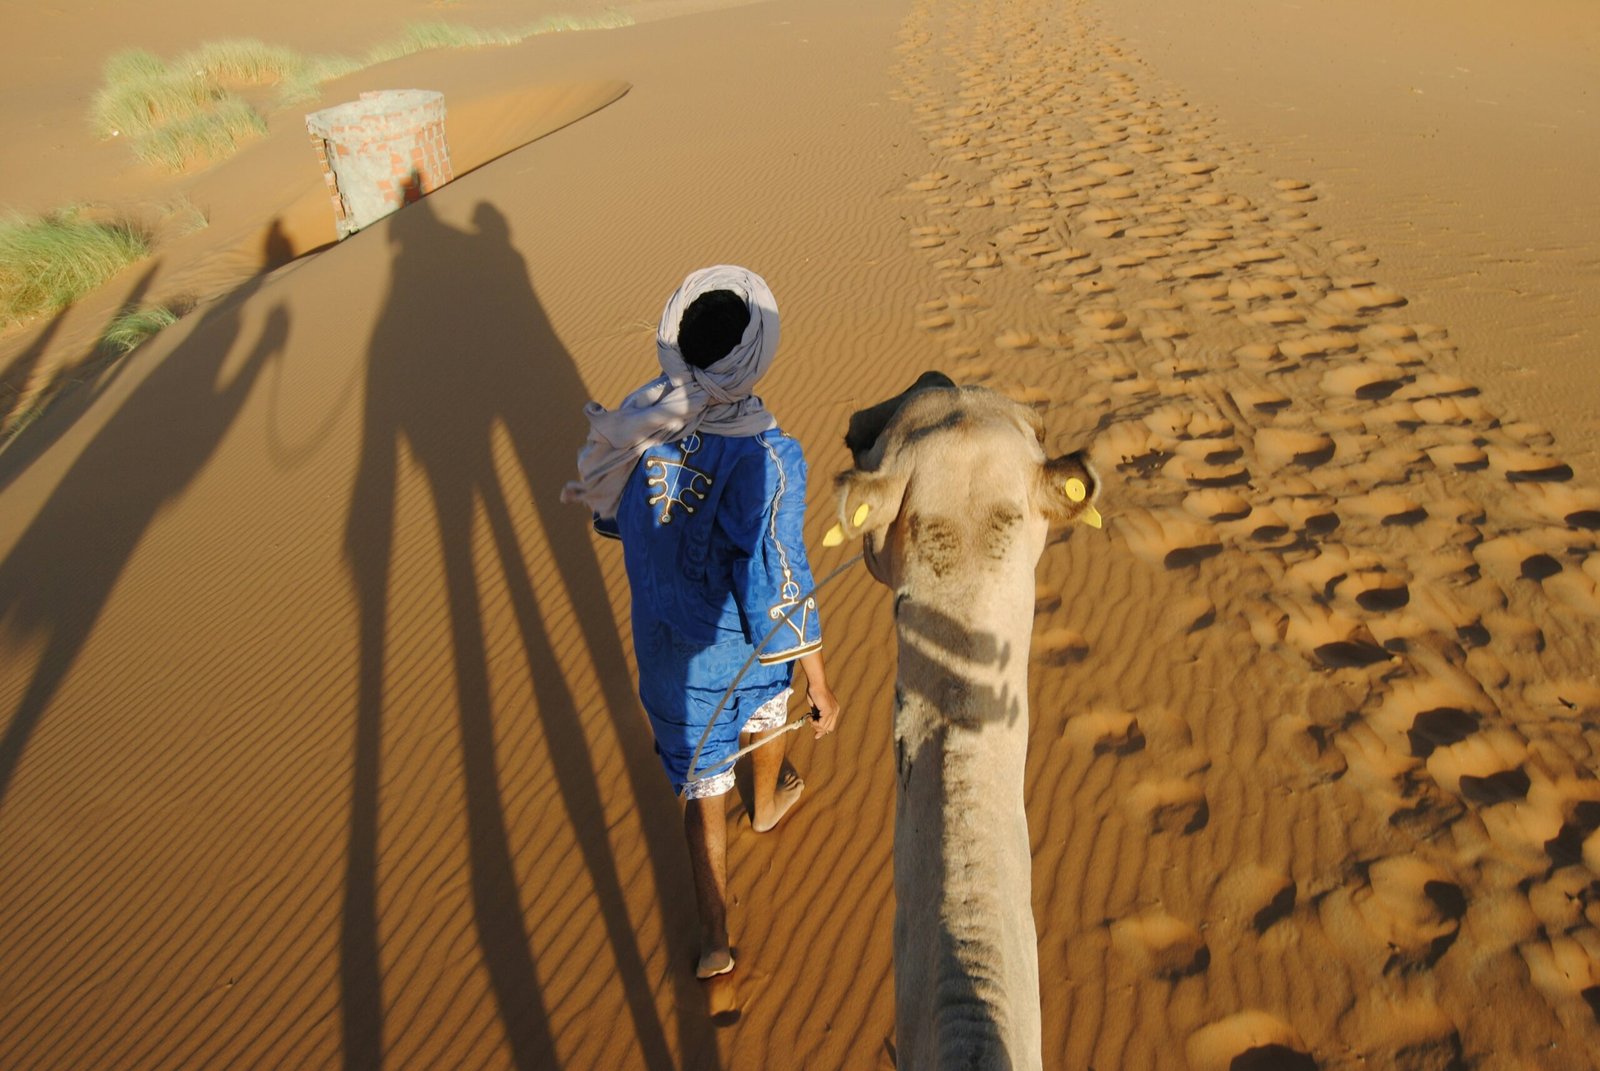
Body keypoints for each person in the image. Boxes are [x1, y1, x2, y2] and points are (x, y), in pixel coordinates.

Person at [562, 265, 842, 979]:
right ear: (753, 356)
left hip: (664, 661)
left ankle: (715, 937)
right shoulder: (769, 456)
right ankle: (770, 804)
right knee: (769, 706)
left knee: (702, 789)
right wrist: (819, 678)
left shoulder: (641, 425)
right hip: (741, 652)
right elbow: (777, 577)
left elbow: (618, 521)